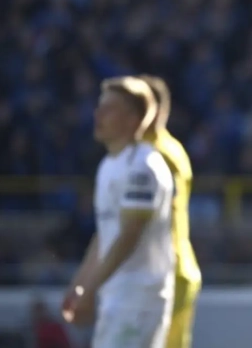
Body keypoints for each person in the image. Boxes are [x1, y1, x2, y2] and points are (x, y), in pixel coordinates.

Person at [62, 76, 175, 348]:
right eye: (99, 107)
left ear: (133, 119)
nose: (98, 115)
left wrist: (91, 288)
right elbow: (106, 235)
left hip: (139, 296)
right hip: (118, 294)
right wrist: (80, 284)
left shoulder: (142, 167)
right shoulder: (109, 165)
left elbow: (129, 235)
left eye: (109, 109)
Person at [138, 74, 202, 348]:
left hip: (163, 273)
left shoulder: (155, 155)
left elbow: (147, 218)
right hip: (172, 269)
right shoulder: (170, 148)